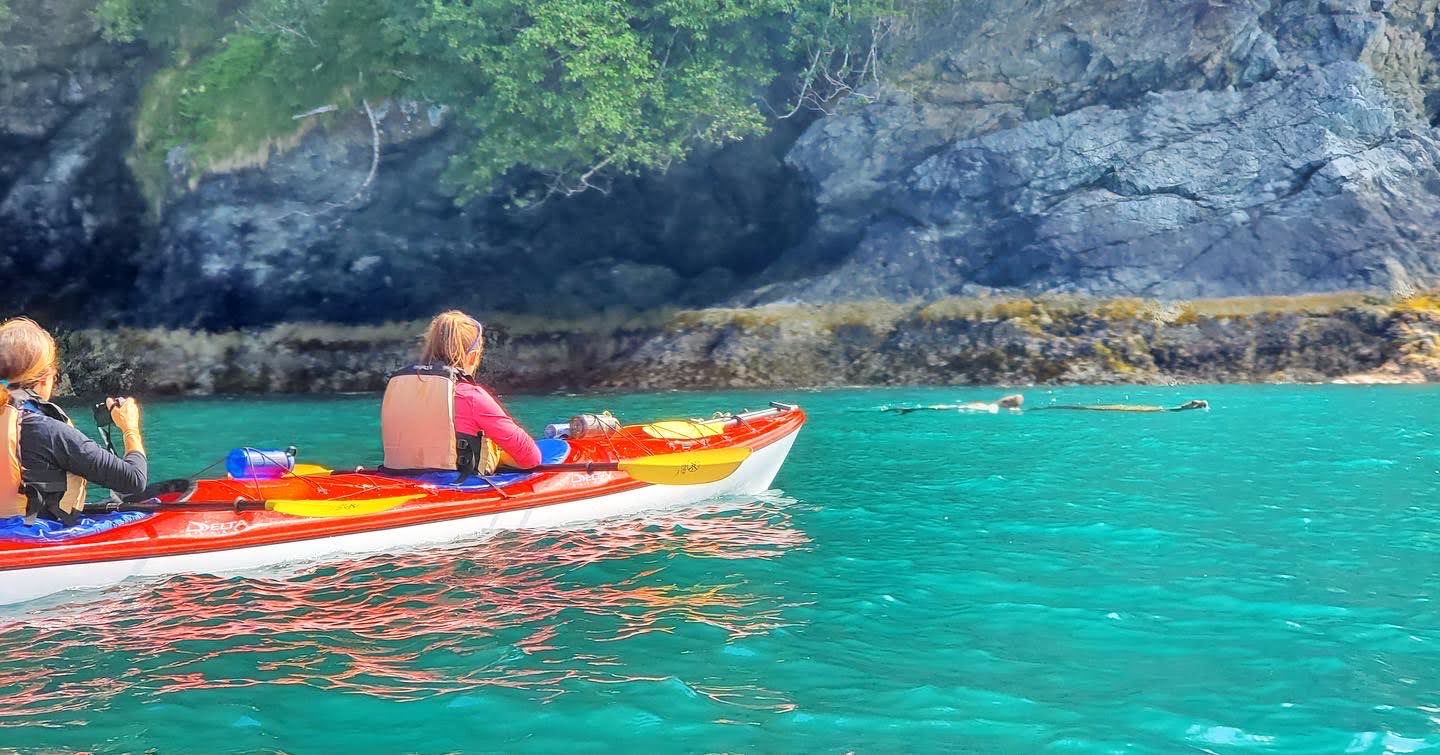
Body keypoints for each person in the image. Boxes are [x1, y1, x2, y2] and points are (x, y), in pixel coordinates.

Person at [0, 317, 147, 523]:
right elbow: (134, 479)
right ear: (45, 377)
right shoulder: (44, 430)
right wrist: (130, 427)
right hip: (33, 538)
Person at [381, 311, 541, 477]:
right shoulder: (471, 396)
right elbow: (531, 458)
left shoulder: (399, 389)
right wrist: (497, 455)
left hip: (397, 478)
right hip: (455, 487)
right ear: (472, 357)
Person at [886, 394, 1025, 415]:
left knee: (938, 408)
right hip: (963, 409)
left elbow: (990, 410)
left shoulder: (992, 407)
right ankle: (908, 411)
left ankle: (908, 410)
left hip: (962, 409)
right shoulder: (991, 406)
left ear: (1006, 402)